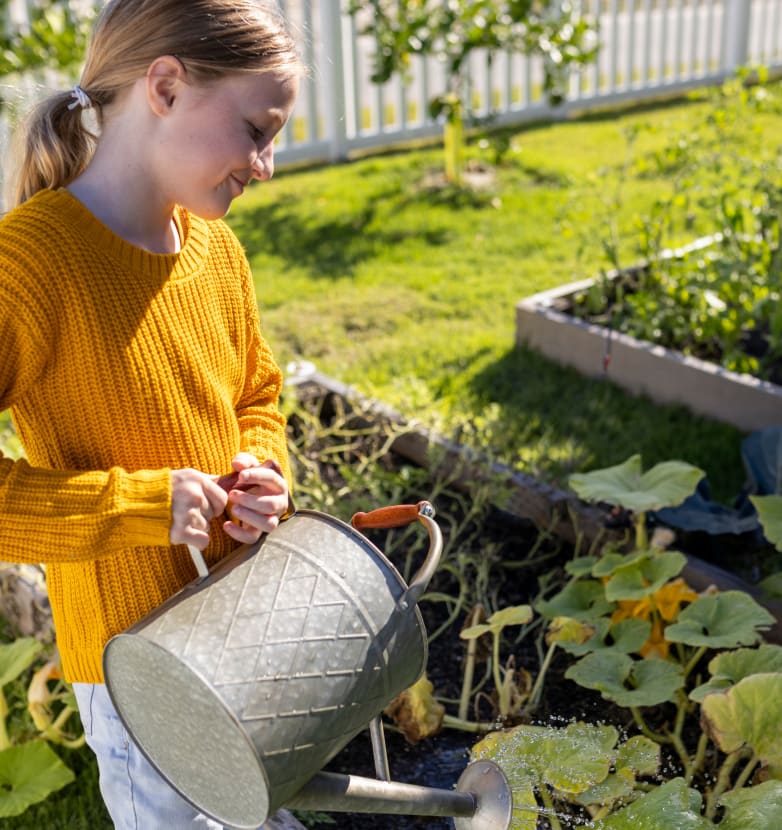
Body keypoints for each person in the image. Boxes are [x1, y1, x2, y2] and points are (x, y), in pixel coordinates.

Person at [1, 1, 306, 827]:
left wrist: (262, 468)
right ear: (166, 86)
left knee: (255, 804)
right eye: (255, 127)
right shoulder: (29, 264)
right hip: (135, 667)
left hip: (238, 625)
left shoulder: (214, 250)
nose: (266, 163)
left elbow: (255, 394)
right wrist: (137, 506)